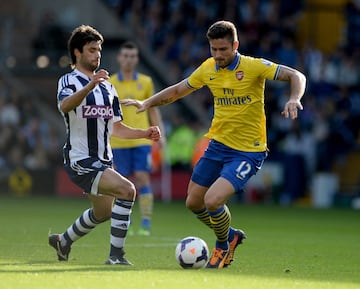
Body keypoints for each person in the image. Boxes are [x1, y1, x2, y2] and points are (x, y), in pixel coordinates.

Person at [122, 20, 306, 269]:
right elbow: (178, 90)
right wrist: (148, 104)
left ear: (235, 45)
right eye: (213, 49)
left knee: (213, 200)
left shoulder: (253, 66)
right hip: (218, 145)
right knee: (193, 203)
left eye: (223, 49)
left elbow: (296, 75)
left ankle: (223, 246)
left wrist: (294, 98)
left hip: (248, 151)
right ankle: (231, 234)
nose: (218, 55)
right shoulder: (208, 68)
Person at [48, 25, 161, 265]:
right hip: (81, 159)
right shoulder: (68, 81)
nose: (97, 54)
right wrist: (89, 86)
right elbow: (64, 106)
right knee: (128, 190)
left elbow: (115, 128)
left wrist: (144, 133)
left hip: (103, 159)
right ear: (77, 52)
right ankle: (116, 256)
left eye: (99, 50)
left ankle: (63, 240)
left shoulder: (108, 87)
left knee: (104, 212)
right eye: (91, 50)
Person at [109, 41, 165, 236]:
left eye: (132, 56)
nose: (129, 59)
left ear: (137, 59)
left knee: (142, 178)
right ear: (119, 58)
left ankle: (146, 223)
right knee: (121, 183)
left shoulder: (146, 82)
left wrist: (162, 135)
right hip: (118, 140)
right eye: (125, 55)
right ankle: (127, 221)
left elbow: (153, 110)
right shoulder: (110, 83)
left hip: (142, 139)